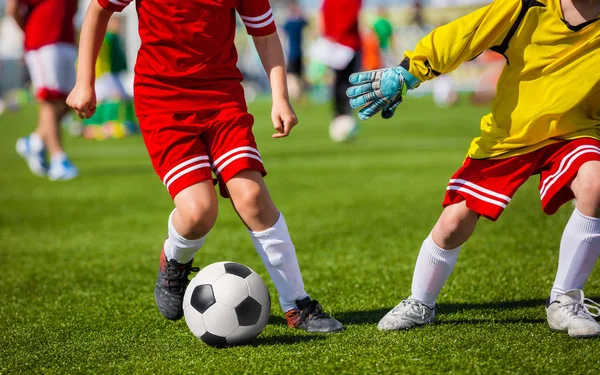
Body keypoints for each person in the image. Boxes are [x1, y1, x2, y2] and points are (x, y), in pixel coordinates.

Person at [68, 0, 344, 333]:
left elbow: (266, 33)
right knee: (199, 212)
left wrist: (280, 96)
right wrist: (84, 81)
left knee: (252, 196)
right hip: (162, 101)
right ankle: (175, 258)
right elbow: (99, 10)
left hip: (222, 98)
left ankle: (297, 305)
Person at [347, 0, 600, 338]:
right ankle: (420, 303)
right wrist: (409, 72)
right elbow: (464, 34)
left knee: (595, 183)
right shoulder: (527, 6)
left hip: (577, 131)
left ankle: (565, 300)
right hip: (512, 135)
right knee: (453, 223)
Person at [7, 0, 79, 180]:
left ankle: (35, 141)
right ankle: (58, 159)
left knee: (72, 100)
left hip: (66, 40)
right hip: (42, 41)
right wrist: (30, 29)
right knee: (50, 99)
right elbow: (13, 7)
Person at [320, 0, 362, 142]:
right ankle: (344, 116)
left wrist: (329, 36)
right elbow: (351, 16)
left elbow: (325, 15)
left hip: (335, 44)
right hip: (347, 44)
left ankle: (340, 116)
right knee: (346, 83)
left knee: (339, 82)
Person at [282, 2, 308, 102]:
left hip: (292, 53)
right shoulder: (300, 23)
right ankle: (299, 94)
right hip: (300, 52)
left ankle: (296, 94)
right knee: (299, 75)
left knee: (291, 75)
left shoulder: (290, 24)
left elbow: (283, 31)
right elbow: (306, 22)